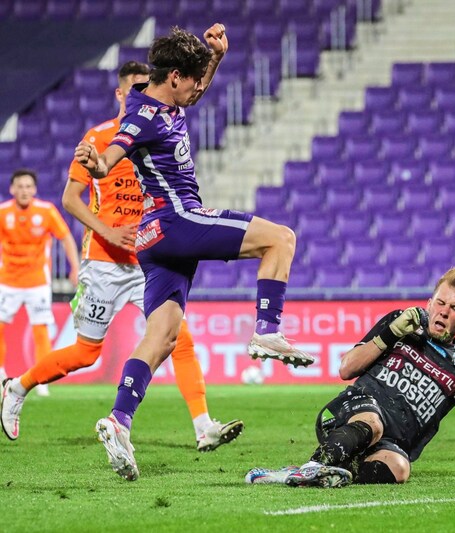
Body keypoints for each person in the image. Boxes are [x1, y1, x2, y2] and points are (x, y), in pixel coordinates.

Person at [75, 24, 313, 481]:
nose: (196, 88)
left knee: (162, 337)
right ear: (174, 77)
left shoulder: (168, 95)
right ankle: (267, 330)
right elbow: (112, 156)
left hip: (154, 242)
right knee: (281, 238)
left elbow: (196, 92)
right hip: (176, 219)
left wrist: (217, 56)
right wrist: (97, 162)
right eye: (193, 78)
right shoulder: (143, 115)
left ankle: (119, 420)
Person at [0, 62, 243, 452]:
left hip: (148, 261)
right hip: (104, 261)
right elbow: (69, 200)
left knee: (177, 338)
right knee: (85, 353)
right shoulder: (99, 138)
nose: (145, 97)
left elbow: (194, 93)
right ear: (120, 94)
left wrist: (213, 58)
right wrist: (109, 231)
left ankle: (203, 426)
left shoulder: (160, 127)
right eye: (136, 90)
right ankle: (18, 385)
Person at [244, 268, 455, 488]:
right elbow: (346, 368)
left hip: (391, 441)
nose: (443, 312)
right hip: (349, 413)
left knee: (400, 469)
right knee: (373, 421)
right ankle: (309, 467)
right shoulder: (401, 325)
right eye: (440, 302)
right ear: (430, 301)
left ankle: (330, 473)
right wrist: (390, 334)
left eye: (454, 308)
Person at [0, 169, 79, 396]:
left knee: (40, 330)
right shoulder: (3, 213)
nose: (24, 191)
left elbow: (65, 238)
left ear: (34, 189)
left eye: (28, 186)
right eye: (20, 186)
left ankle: (42, 380)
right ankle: (1, 373)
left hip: (37, 282)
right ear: (12, 189)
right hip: (8, 281)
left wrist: (74, 267)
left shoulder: (46, 211)